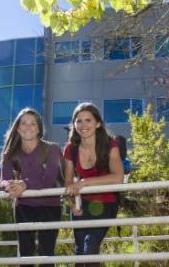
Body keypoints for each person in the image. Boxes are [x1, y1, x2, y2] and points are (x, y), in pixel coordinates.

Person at [63, 102, 124, 267]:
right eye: (79, 121)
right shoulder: (71, 150)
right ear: (74, 125)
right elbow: (68, 182)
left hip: (106, 204)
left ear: (97, 123)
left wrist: (85, 182)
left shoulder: (110, 145)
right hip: (81, 205)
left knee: (90, 247)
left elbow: (118, 178)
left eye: (88, 120)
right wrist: (71, 204)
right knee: (79, 253)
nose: (83, 125)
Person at [0, 108, 62, 267]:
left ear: (39, 128)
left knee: (46, 253)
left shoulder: (52, 149)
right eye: (24, 123)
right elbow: (4, 179)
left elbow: (48, 180)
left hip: (50, 205)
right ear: (18, 127)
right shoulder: (10, 152)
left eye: (33, 123)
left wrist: (25, 183)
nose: (28, 126)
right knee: (25, 254)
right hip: (24, 206)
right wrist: (9, 186)